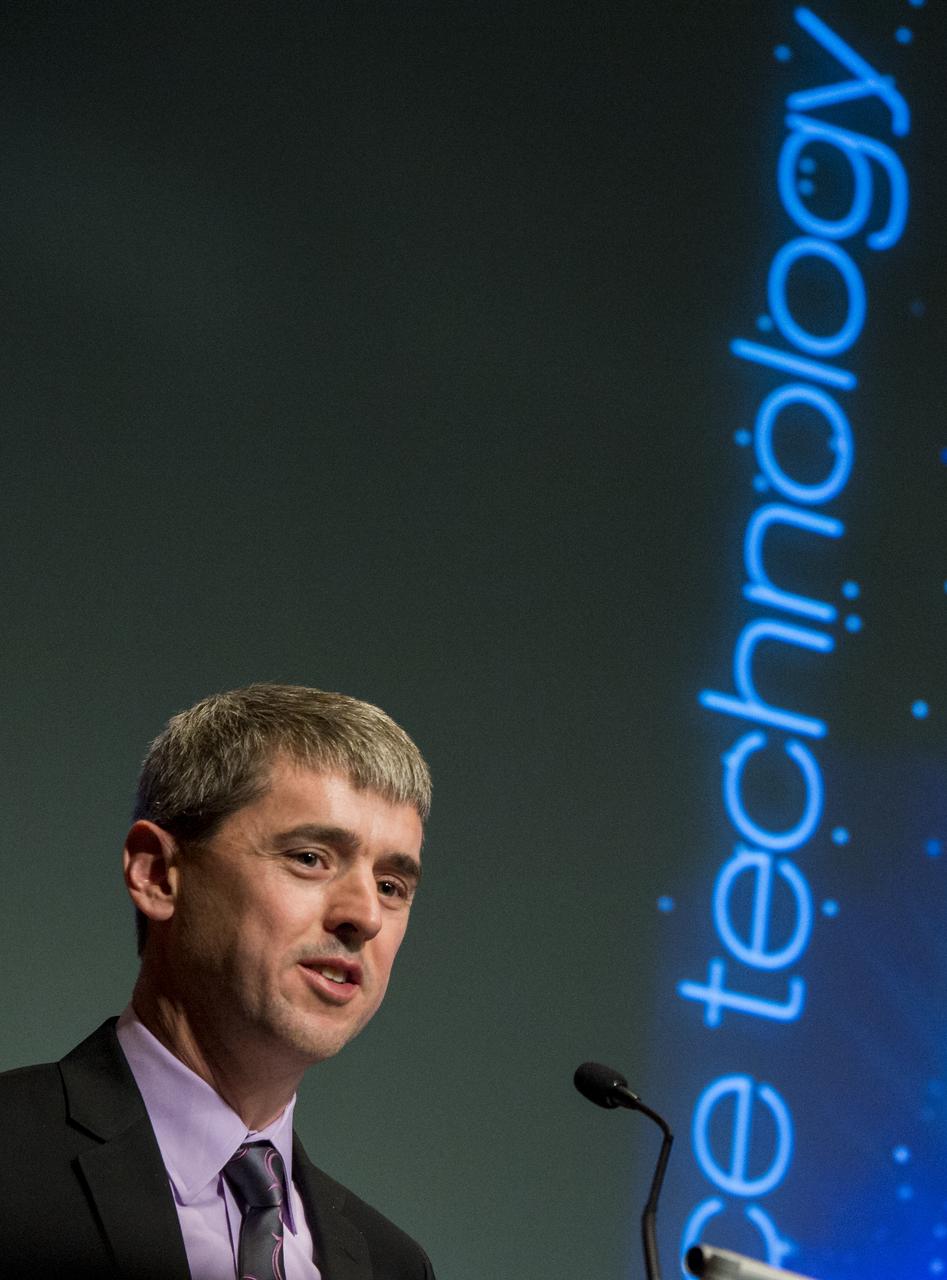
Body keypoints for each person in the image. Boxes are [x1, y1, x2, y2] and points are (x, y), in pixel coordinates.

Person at [0, 683, 436, 1280]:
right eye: (310, 857)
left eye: (391, 886)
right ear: (158, 874)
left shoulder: (395, 1266)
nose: (364, 915)